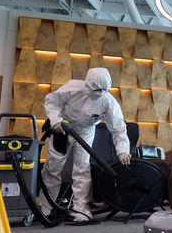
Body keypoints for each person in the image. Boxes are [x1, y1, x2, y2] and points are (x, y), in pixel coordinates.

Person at [39, 67, 131, 222]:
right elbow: (51, 101)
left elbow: (118, 128)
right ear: (88, 84)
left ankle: (80, 209)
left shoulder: (108, 101)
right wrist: (55, 121)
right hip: (63, 129)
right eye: (96, 89)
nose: (100, 92)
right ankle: (46, 208)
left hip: (86, 132)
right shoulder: (73, 88)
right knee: (53, 168)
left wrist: (122, 150)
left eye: (104, 89)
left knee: (82, 168)